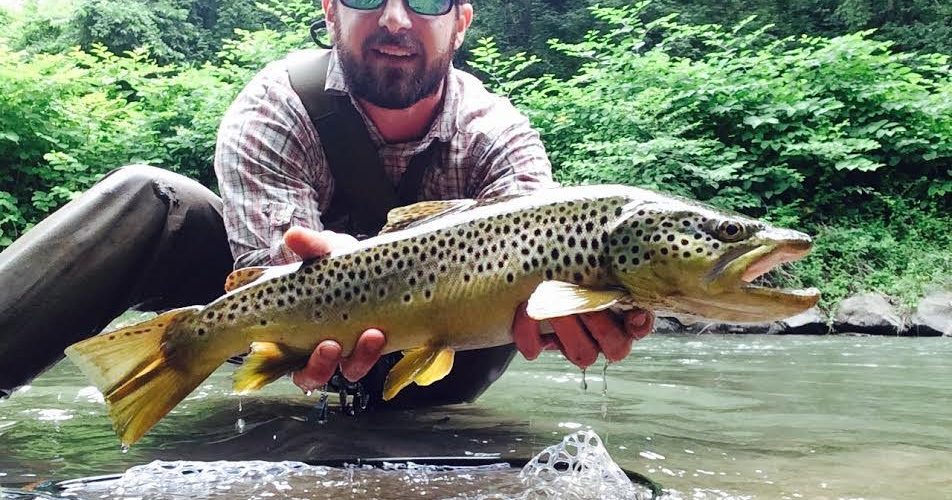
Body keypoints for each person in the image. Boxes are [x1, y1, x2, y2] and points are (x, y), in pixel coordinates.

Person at [0, 0, 653, 405]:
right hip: (287, 319)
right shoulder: (276, 106)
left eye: (427, 0)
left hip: (443, 358)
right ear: (330, 11)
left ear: (460, 24)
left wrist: (588, 314)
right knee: (150, 197)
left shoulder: (500, 135)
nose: (396, 18)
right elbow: (263, 275)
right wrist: (351, 275)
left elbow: (547, 279)